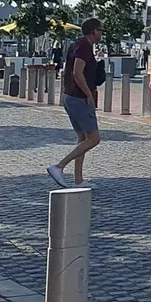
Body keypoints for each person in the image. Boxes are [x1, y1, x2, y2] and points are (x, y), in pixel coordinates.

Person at [49, 17, 104, 187]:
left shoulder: (79, 45)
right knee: (94, 138)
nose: (102, 33)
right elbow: (77, 72)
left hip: (71, 96)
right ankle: (59, 166)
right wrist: (88, 93)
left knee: (82, 138)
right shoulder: (83, 47)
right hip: (79, 98)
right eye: (101, 30)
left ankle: (78, 180)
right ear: (93, 31)